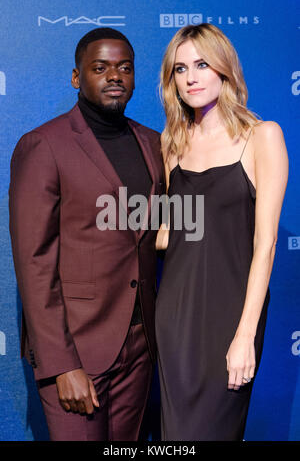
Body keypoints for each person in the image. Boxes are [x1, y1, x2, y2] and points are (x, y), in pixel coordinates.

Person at [9, 28, 165, 441]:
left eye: (125, 68)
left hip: (139, 347)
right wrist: (61, 364)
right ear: (77, 78)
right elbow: (34, 263)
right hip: (77, 350)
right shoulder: (43, 145)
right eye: (100, 68)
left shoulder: (153, 144)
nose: (114, 76)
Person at [155, 23, 288, 441]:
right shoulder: (170, 141)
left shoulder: (263, 137)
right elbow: (168, 232)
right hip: (174, 316)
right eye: (180, 69)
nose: (191, 77)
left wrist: (245, 334)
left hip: (231, 318)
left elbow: (265, 246)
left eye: (201, 64)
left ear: (224, 70)